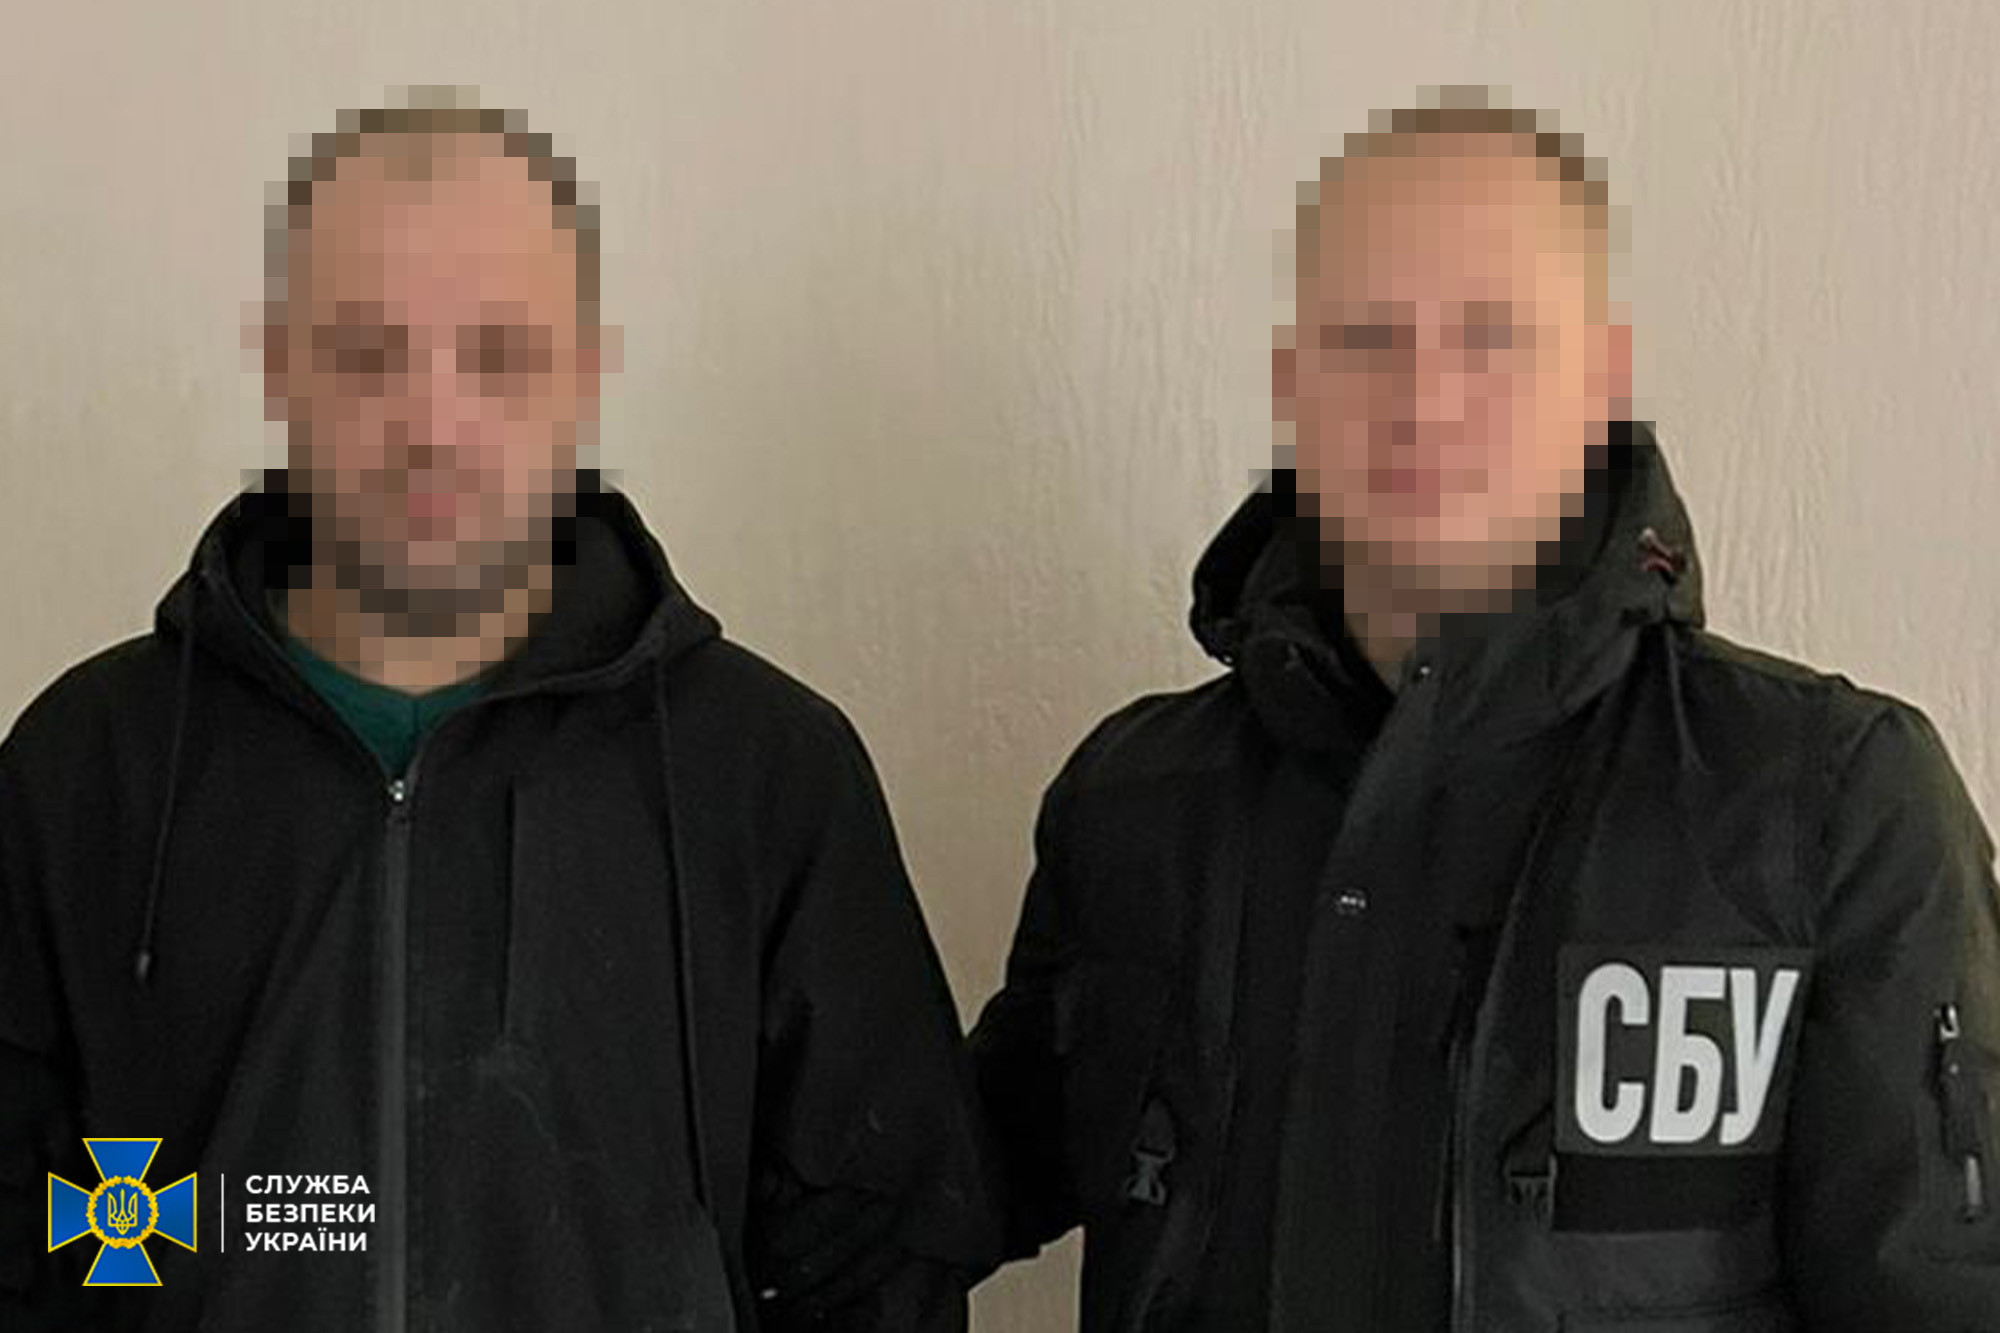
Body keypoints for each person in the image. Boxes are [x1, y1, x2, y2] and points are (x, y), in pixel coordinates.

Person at [970, 92, 2000, 1332]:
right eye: (1366, 335)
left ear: (1601, 376)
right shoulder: (1133, 798)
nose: (1423, 394)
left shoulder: (1826, 798)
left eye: (1492, 333)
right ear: (1293, 379)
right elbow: (917, 1194)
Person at [0, 92, 998, 1331]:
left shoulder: (765, 771)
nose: (434, 421)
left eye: (498, 353)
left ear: (584, 372)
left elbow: (881, 1265)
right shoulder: (85, 767)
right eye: (368, 351)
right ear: (278, 362)